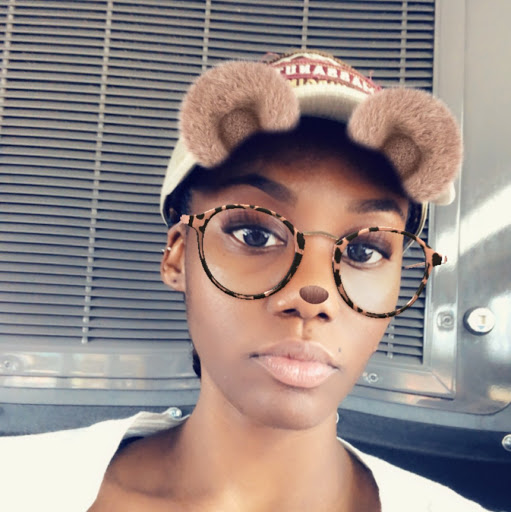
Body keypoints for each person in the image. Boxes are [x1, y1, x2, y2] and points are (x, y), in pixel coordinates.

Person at [0, 51, 489, 512]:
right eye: (255, 234)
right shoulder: (21, 485)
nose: (312, 295)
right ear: (177, 257)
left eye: (364, 251)